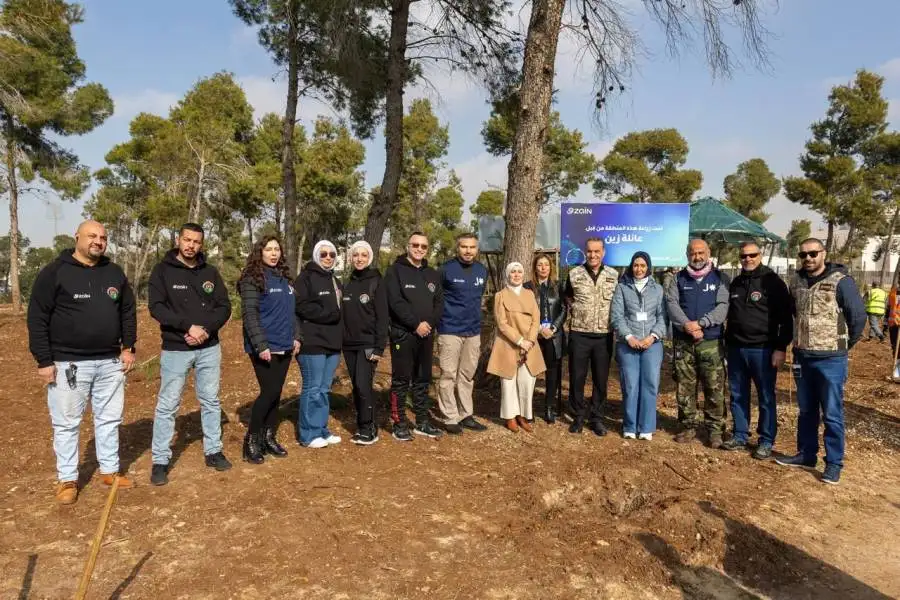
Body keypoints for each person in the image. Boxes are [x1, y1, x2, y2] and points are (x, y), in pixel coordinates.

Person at [27, 220, 137, 504]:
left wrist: (129, 347)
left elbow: (127, 311)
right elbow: (37, 318)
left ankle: (110, 471)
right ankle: (67, 479)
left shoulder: (114, 273)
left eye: (102, 237)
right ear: (77, 237)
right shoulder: (55, 273)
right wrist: (44, 360)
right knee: (66, 424)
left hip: (110, 362)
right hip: (68, 364)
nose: (98, 241)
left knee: (110, 418)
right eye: (92, 236)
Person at [147, 223, 233, 485]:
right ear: (178, 240)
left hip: (209, 347)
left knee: (210, 400)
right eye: (187, 240)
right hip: (176, 348)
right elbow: (156, 307)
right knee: (168, 404)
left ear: (201, 244)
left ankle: (213, 450)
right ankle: (160, 460)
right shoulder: (162, 271)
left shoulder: (210, 272)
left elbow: (224, 306)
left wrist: (206, 329)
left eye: (196, 241)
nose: (191, 246)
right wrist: (187, 327)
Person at [776, 238, 866, 485]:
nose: (808, 258)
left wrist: (844, 345)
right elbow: (793, 314)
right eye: (803, 254)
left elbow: (857, 317)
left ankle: (834, 463)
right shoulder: (797, 283)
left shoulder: (841, 282)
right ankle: (806, 454)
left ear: (823, 254)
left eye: (813, 253)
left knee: (832, 414)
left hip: (831, 360)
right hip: (803, 357)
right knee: (806, 411)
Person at [721, 241, 793, 459]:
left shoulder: (773, 283)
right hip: (736, 349)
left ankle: (766, 440)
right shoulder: (736, 283)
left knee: (765, 397)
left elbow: (785, 319)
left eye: (752, 255)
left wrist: (780, 348)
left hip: (763, 350)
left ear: (760, 255)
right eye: (743, 256)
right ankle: (740, 435)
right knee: (737, 394)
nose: (748, 259)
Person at [238, 236, 302, 464]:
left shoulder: (285, 278)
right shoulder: (252, 278)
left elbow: (292, 312)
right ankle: (252, 441)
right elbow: (250, 314)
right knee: (269, 393)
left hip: (285, 344)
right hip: (264, 347)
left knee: (276, 394)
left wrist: (296, 336)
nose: (274, 253)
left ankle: (268, 437)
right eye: (269, 249)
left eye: (277, 249)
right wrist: (260, 345)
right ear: (260, 252)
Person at [665, 239, 730, 448]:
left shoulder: (720, 278)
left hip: (710, 342)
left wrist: (702, 323)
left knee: (714, 387)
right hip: (684, 342)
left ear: (708, 253)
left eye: (701, 252)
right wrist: (687, 325)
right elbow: (672, 304)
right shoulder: (678, 279)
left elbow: (723, 306)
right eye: (693, 253)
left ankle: (715, 430)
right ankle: (688, 426)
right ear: (687, 255)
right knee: (685, 388)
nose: (698, 257)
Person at [384, 232, 444, 441]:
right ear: (407, 246)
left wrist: (428, 325)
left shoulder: (433, 274)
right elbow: (395, 302)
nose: (419, 249)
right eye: (415, 245)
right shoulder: (394, 271)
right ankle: (399, 422)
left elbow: (439, 304)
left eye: (424, 246)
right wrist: (415, 324)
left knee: (422, 379)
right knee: (401, 380)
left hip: (426, 335)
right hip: (403, 334)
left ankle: (422, 422)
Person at [564, 237, 619, 436]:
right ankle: (578, 415)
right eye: (589, 251)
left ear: (603, 252)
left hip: (603, 335)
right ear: (584, 252)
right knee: (577, 378)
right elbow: (567, 299)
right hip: (579, 333)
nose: (593, 255)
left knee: (600, 379)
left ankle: (597, 418)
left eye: (597, 251)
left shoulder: (614, 275)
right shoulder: (574, 274)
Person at [610, 251, 667, 441]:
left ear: (648, 267)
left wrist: (652, 337)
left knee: (650, 384)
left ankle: (646, 427)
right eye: (636, 265)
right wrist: (629, 337)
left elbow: (662, 317)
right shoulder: (622, 287)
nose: (639, 269)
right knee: (630, 385)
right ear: (631, 266)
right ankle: (630, 425)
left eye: (643, 265)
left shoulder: (658, 289)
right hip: (628, 344)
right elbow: (617, 316)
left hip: (652, 343)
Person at [436, 233, 488, 434]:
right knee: (448, 374)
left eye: (472, 247)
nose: (468, 251)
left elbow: (478, 297)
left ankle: (466, 415)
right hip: (450, 330)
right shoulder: (445, 269)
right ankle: (450, 417)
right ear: (458, 248)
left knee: (467, 375)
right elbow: (437, 298)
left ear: (477, 249)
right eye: (464, 247)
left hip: (473, 332)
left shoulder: (481, 271)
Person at [295, 240, 344, 448]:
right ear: (316, 255)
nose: (328, 258)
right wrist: (329, 315)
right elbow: (301, 306)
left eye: (332, 255)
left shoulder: (336, 280)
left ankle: (321, 429)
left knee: (324, 389)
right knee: (312, 388)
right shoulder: (305, 278)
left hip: (333, 343)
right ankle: (308, 434)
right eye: (323, 254)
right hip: (312, 342)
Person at [487, 262, 546, 432]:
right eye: (513, 271)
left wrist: (530, 341)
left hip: (529, 344)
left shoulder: (529, 294)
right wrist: (520, 341)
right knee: (508, 382)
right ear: (508, 274)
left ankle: (523, 415)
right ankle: (510, 417)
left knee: (527, 381)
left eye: (520, 271)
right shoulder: (500, 295)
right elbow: (502, 323)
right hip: (508, 343)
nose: (517, 274)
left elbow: (536, 319)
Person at [342, 240, 389, 445]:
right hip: (348, 344)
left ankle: (369, 427)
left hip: (368, 343)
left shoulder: (376, 282)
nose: (359, 259)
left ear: (369, 258)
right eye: (355, 255)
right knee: (356, 386)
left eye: (363, 255)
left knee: (363, 386)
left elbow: (382, 317)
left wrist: (379, 346)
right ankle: (362, 425)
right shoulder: (349, 283)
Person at [525, 254, 567, 424]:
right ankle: (527, 408)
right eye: (540, 265)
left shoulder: (558, 286)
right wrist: (538, 329)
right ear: (535, 267)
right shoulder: (528, 287)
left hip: (553, 335)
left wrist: (553, 327)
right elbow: (524, 311)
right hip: (534, 335)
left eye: (546, 265)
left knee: (552, 372)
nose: (543, 268)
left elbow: (564, 309)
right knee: (530, 372)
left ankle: (549, 407)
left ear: (551, 267)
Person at [889, 283, 900, 381]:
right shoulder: (893, 293)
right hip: (893, 325)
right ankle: (896, 373)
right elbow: (889, 308)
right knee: (895, 347)